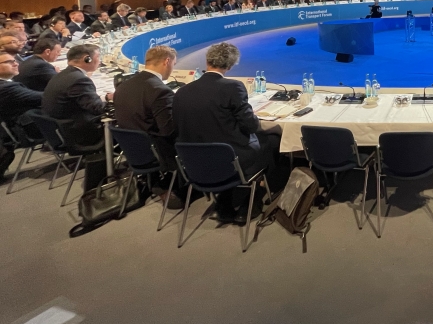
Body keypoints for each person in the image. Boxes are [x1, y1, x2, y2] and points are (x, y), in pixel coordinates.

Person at [172, 43, 280, 222]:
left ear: (207, 61)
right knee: (271, 140)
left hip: (194, 162)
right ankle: (254, 198)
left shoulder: (181, 92)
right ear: (229, 66)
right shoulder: (233, 87)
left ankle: (225, 201)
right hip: (231, 159)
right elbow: (251, 126)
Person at [113, 45, 183, 207]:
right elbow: (169, 130)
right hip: (157, 152)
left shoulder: (123, 86)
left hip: (132, 150)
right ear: (167, 61)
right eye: (173, 64)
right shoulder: (160, 90)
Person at [42, 44, 113, 147]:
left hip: (62, 129)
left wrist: (106, 98)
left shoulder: (64, 74)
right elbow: (98, 108)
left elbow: (85, 101)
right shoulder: (79, 80)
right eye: (98, 57)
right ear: (87, 59)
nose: (100, 61)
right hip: (80, 134)